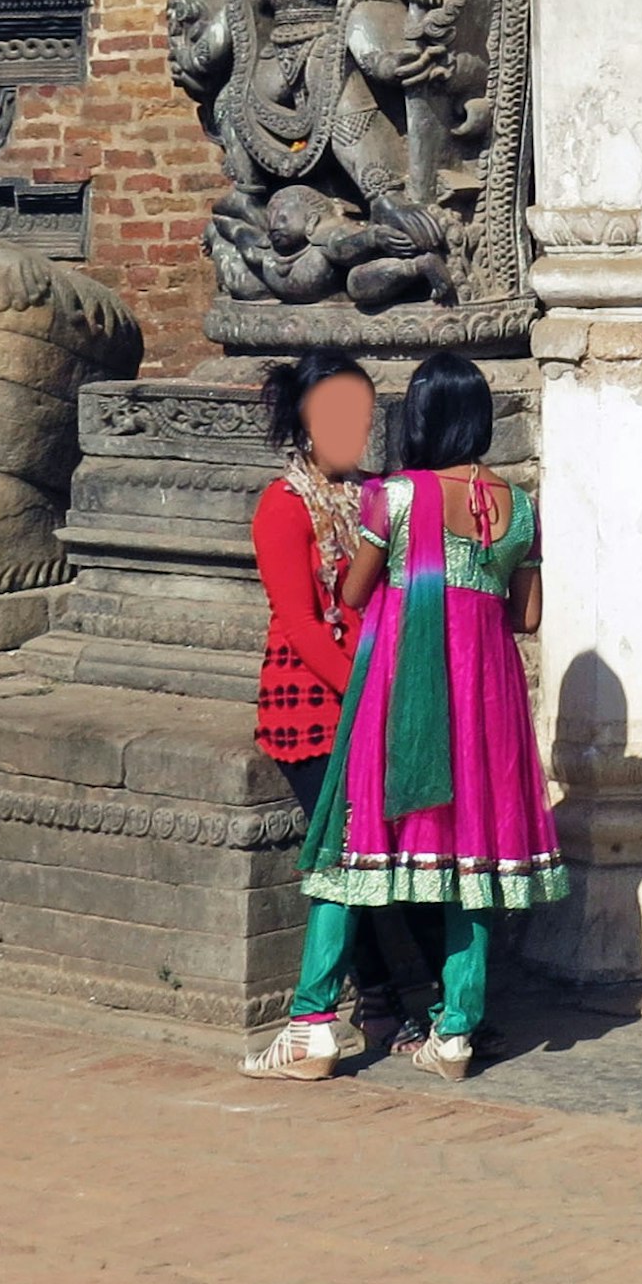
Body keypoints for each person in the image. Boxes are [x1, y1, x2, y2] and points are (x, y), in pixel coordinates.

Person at [248, 355, 562, 1084]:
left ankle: (311, 1024)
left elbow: (354, 595)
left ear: (413, 418)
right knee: (473, 858)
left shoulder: (392, 495)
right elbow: (530, 614)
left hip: (396, 694)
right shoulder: (521, 502)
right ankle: (453, 1029)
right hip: (485, 702)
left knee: (344, 850)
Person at [238, 351, 428, 1074]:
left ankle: (375, 1009)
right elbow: (301, 624)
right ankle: (355, 1009)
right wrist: (367, 693)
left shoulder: (377, 495)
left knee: (371, 858)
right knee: (349, 856)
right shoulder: (282, 506)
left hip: (377, 692)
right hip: (313, 707)